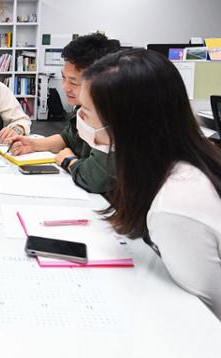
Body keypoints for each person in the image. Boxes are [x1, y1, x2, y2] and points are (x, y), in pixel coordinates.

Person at [80, 49, 221, 320]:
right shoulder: (181, 164)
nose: (81, 120)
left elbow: (206, 319)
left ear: (124, 125)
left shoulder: (176, 205)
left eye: (86, 112)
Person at [10, 33, 120, 193]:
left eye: (74, 82)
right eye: (63, 78)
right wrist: (34, 144)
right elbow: (68, 138)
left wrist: (69, 161)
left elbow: (94, 178)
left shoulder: (111, 117)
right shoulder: (80, 107)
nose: (65, 87)